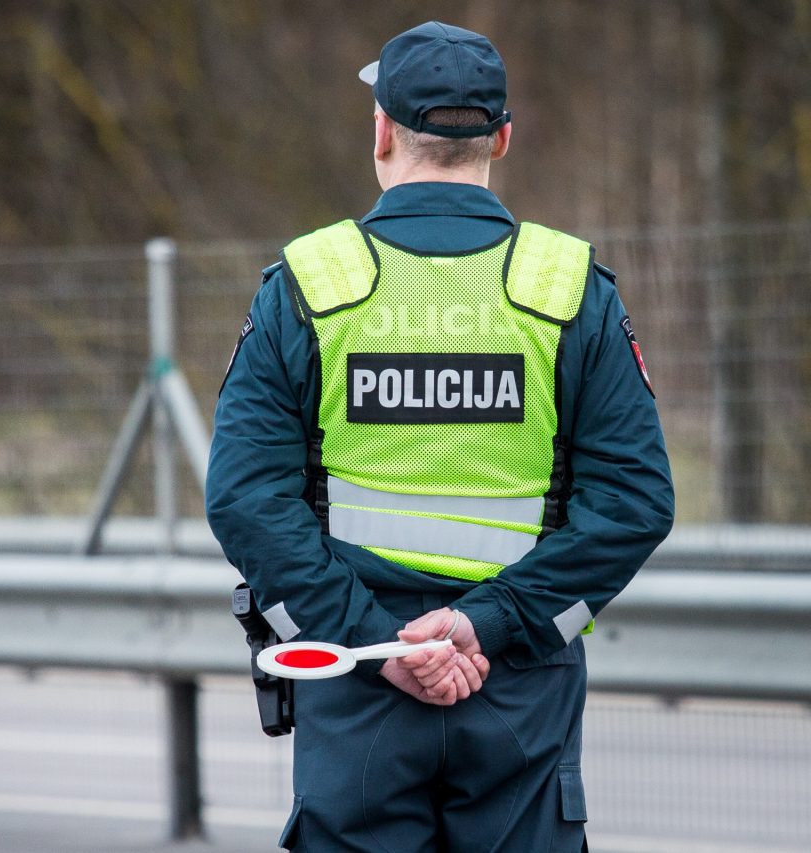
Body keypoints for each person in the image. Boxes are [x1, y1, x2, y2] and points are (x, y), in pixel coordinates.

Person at [205, 20, 674, 853]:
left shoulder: (310, 283)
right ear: (501, 136)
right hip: (519, 683)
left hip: (356, 687)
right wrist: (487, 623)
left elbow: (245, 498)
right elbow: (635, 504)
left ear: (381, 130)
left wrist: (370, 642)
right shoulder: (568, 286)